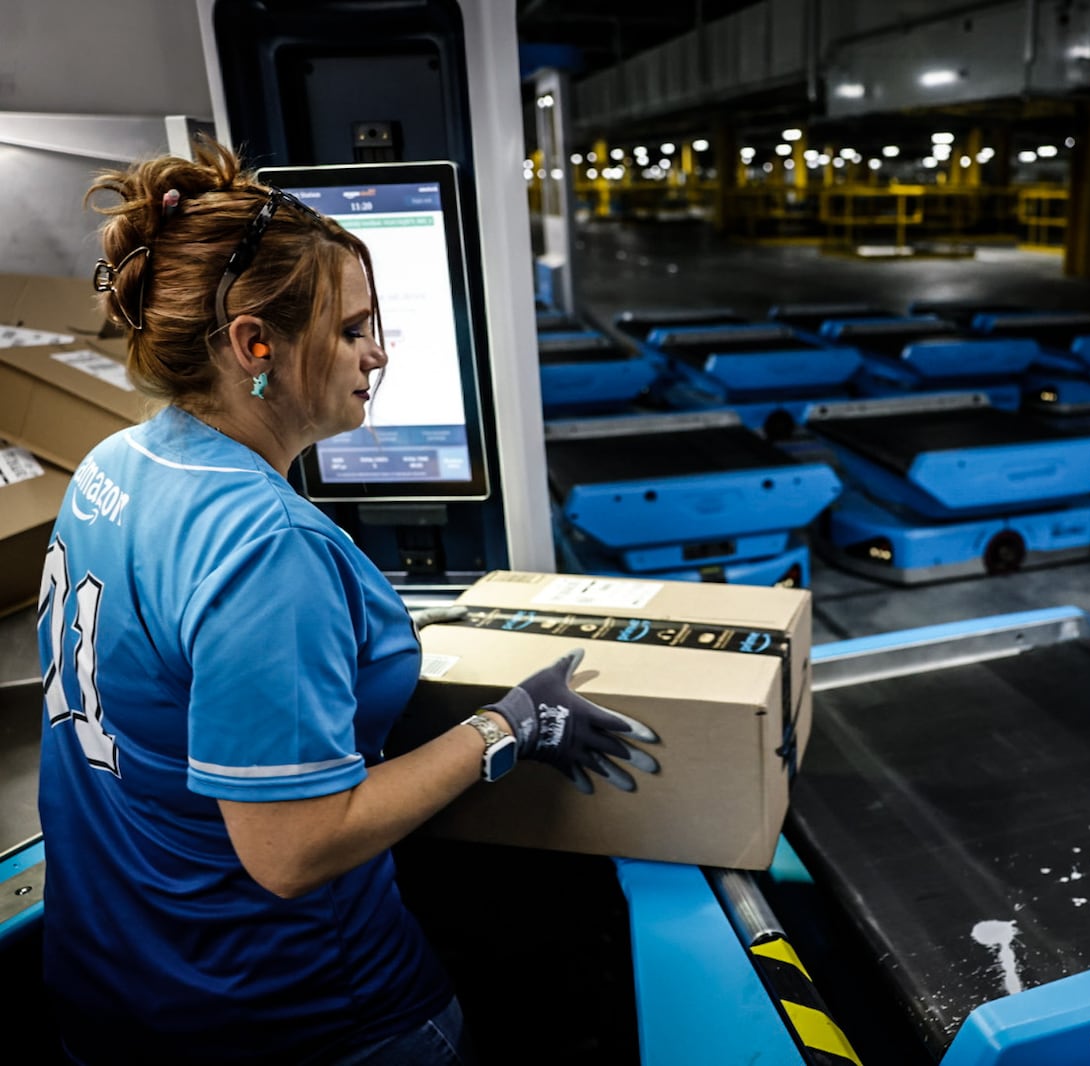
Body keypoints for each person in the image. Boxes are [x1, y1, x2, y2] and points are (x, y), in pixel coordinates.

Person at [35, 136, 660, 1065]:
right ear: (257, 345)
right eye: (354, 328)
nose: (378, 352)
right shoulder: (266, 546)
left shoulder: (117, 464)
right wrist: (508, 725)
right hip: (288, 1014)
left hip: (114, 986)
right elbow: (292, 851)